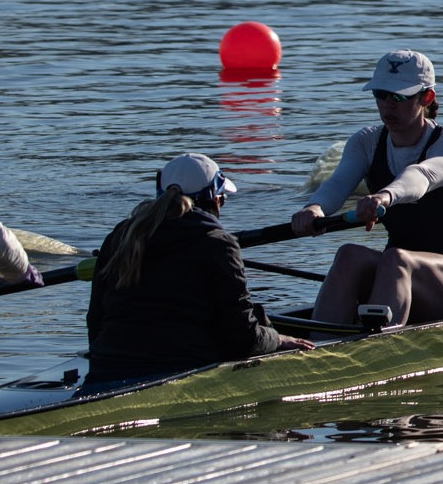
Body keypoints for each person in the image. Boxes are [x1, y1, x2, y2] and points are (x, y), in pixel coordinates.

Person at [293, 50, 443, 327]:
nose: (387, 105)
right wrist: (314, 208)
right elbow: (337, 184)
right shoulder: (367, 141)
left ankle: (378, 343)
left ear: (426, 98)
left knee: (397, 259)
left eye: (399, 97)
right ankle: (320, 344)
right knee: (349, 254)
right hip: (395, 273)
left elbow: (422, 176)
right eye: (381, 95)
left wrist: (385, 196)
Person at [87, 154, 313, 382]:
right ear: (216, 199)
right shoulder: (217, 243)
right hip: (181, 371)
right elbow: (243, 341)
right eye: (223, 199)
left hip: (105, 371)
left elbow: (95, 322)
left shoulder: (120, 237)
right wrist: (277, 338)